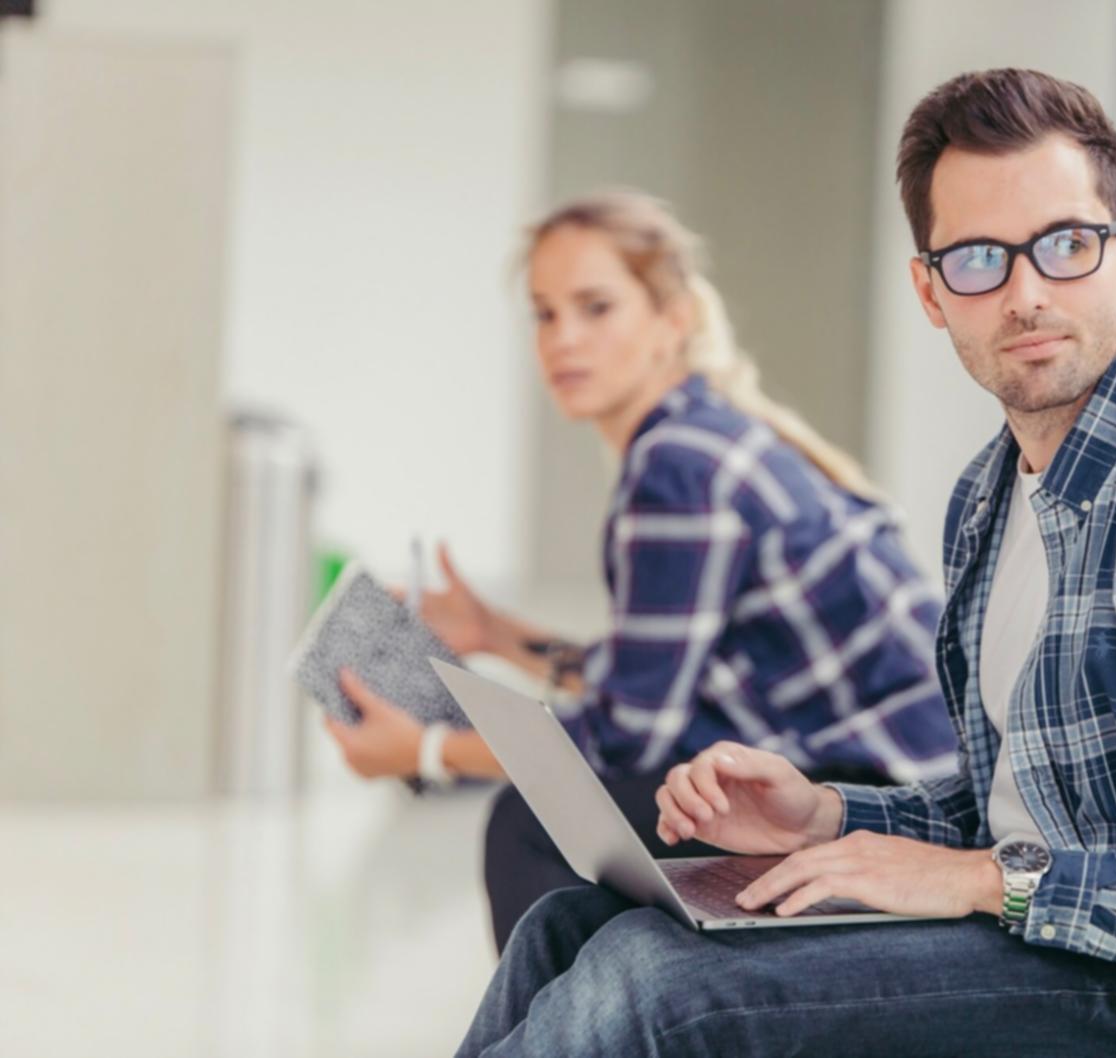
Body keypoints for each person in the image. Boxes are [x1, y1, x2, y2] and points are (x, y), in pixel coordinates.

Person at [455, 70, 1116, 1058]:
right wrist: (824, 813)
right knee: (570, 926)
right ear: (931, 290)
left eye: (1065, 245)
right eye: (977, 259)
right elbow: (1003, 808)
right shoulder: (991, 494)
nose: (1025, 293)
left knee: (656, 986)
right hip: (1063, 948)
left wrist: (978, 880)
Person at [324, 190, 959, 954]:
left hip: (880, 795)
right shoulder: (701, 434)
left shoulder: (676, 466)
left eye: (596, 307)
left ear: (673, 318)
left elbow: (626, 736)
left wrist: (425, 753)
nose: (564, 340)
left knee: (530, 826)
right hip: (894, 769)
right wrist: (497, 634)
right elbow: (662, 680)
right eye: (545, 314)